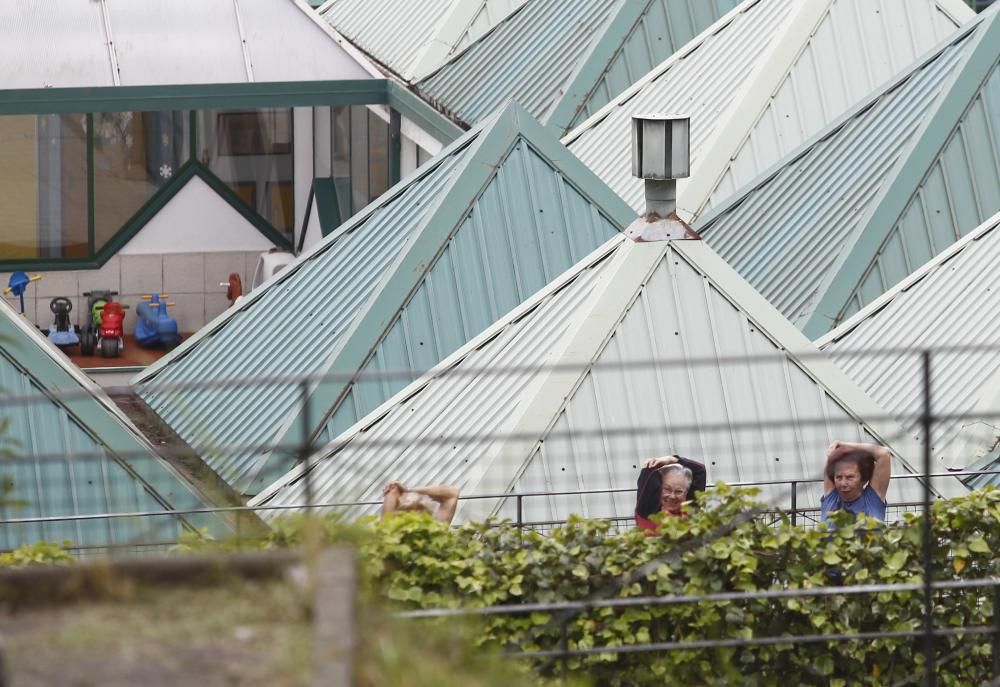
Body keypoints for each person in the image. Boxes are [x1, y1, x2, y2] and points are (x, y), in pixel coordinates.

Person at [820, 440, 891, 523]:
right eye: (839, 477)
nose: (843, 483)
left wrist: (843, 444)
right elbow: (831, 456)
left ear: (863, 478)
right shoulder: (832, 499)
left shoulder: (872, 500)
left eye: (850, 477)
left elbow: (883, 453)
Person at [634, 455, 707, 532]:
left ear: (686, 493)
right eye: (667, 489)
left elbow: (700, 470)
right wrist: (658, 463)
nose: (672, 496)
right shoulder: (648, 510)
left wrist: (672, 459)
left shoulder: (690, 509)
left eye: (678, 491)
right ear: (660, 489)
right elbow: (648, 469)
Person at [381, 481, 460, 524]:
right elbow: (452, 493)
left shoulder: (390, 536)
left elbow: (452, 493)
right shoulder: (436, 531)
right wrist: (407, 491)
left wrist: (407, 491)